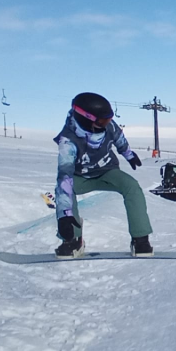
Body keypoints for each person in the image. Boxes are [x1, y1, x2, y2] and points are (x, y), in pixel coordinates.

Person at [53, 92, 153, 258]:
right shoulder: (68, 141)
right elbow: (65, 176)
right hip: (80, 177)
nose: (107, 123)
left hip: (107, 171)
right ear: (86, 118)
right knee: (65, 191)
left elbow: (119, 137)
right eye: (102, 121)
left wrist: (128, 154)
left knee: (132, 186)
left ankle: (140, 239)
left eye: (108, 119)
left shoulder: (108, 126)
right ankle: (72, 240)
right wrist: (65, 215)